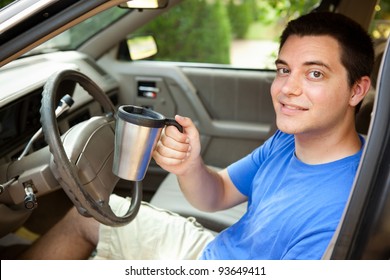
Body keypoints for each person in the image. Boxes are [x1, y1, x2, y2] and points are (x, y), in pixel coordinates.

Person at [19, 11, 374, 260]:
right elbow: (217, 193)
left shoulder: (343, 207)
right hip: (212, 252)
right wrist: (190, 166)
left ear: (357, 90)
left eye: (314, 74)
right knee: (89, 214)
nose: (287, 89)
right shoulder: (287, 142)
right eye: (284, 70)